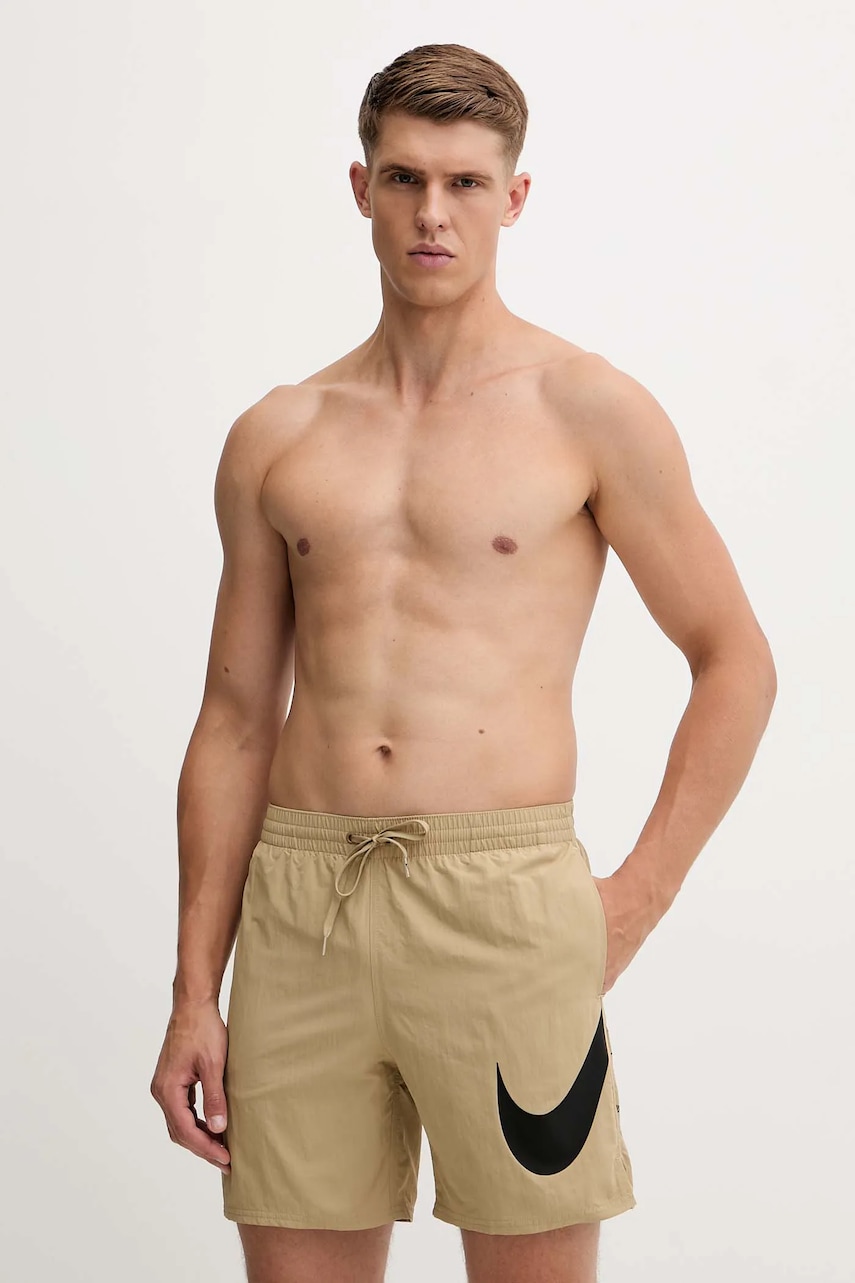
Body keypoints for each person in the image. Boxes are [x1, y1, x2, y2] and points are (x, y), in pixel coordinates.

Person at [150, 41, 777, 1283]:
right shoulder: (279, 433)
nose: (432, 212)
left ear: (514, 197)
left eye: (465, 183)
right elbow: (234, 720)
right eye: (404, 179)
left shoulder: (587, 410)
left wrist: (635, 898)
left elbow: (735, 660)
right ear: (362, 188)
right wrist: (191, 989)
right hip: (304, 908)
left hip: (505, 904)